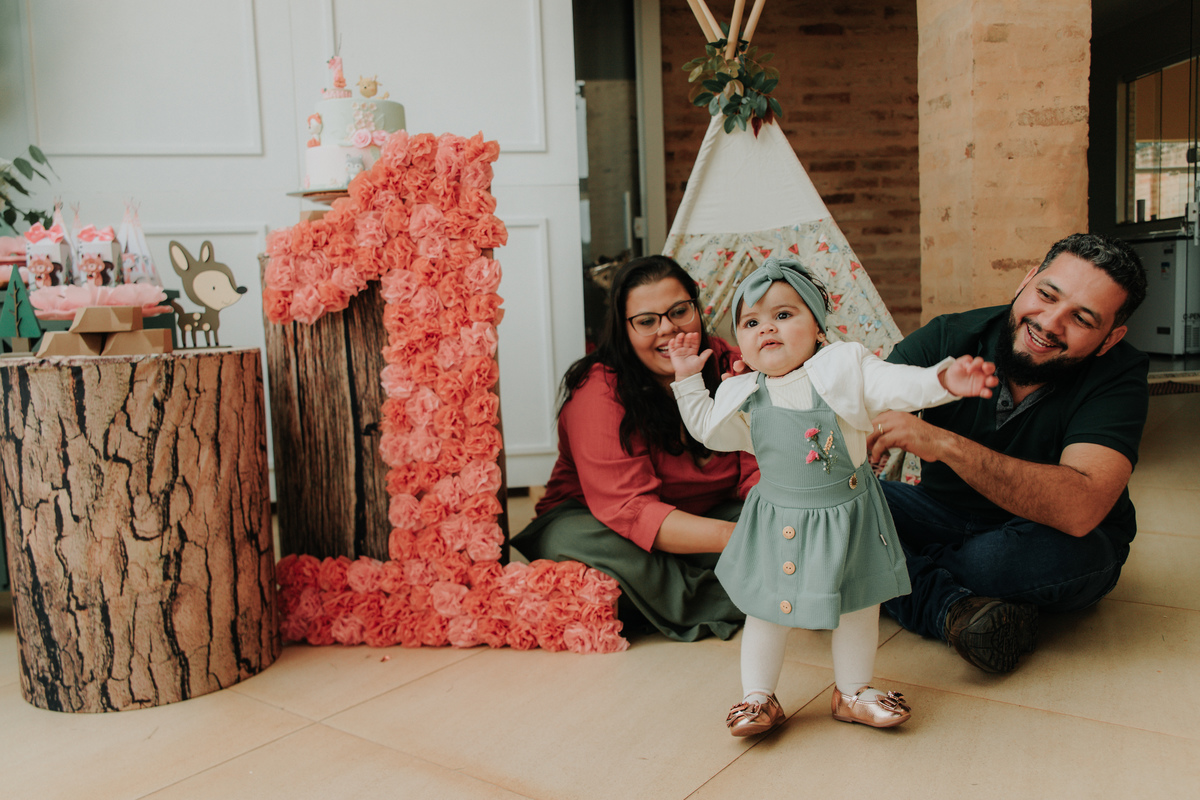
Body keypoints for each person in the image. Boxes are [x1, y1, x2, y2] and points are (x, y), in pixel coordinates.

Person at [669, 258, 998, 736]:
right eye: (752, 321)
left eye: (784, 314)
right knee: (766, 608)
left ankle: (853, 691)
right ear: (739, 339)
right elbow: (706, 431)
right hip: (777, 516)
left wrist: (940, 382)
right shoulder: (744, 392)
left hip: (848, 514)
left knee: (857, 605)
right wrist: (686, 379)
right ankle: (758, 696)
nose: (768, 329)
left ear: (818, 327)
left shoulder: (845, 367)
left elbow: (893, 384)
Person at [868, 232, 1149, 674]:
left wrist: (944, 444)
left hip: (1045, 536)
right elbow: (857, 406)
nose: (1051, 323)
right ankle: (948, 609)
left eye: (1082, 318)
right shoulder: (951, 334)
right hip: (939, 512)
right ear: (1027, 279)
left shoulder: (1120, 375)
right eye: (1047, 294)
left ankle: (889, 569)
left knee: (1034, 557)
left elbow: (1080, 507)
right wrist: (769, 381)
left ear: (1110, 338)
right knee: (838, 506)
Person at [510, 255, 760, 642]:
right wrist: (745, 539)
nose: (668, 330)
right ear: (623, 329)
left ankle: (660, 594)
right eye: (647, 321)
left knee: (785, 517)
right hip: (601, 524)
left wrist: (774, 522)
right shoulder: (599, 388)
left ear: (697, 307)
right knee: (576, 544)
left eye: (680, 311)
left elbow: (757, 466)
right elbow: (631, 510)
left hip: (703, 515)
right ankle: (745, 596)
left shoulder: (728, 363)